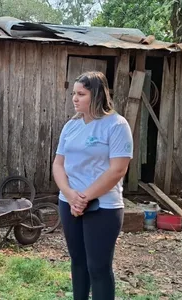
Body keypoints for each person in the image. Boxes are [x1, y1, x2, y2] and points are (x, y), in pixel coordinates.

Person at [52, 71, 133, 300]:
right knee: (78, 263)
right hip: (69, 202)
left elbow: (118, 169)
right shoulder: (71, 125)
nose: (74, 99)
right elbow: (58, 164)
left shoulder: (116, 125)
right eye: (73, 93)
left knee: (98, 267)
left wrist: (84, 197)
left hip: (104, 206)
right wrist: (70, 194)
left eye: (81, 94)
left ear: (96, 95)